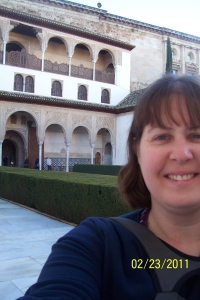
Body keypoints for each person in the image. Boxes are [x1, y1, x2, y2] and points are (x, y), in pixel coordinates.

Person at [17, 75, 200, 300]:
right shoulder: (96, 246)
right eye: (162, 136)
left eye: (197, 135)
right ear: (136, 149)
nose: (182, 154)